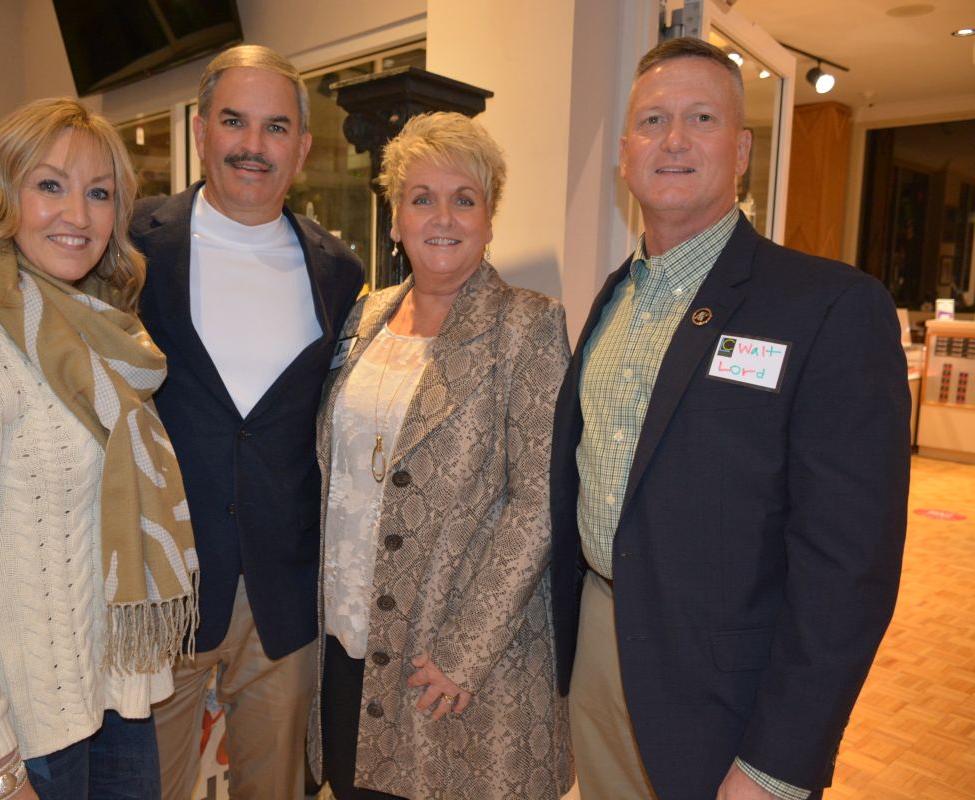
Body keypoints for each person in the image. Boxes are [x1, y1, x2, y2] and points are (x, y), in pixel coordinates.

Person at [550, 38, 910, 800]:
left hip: (726, 697)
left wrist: (777, 764)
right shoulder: (613, 298)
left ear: (742, 151)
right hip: (600, 651)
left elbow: (848, 570)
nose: (674, 140)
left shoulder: (830, 308)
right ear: (625, 156)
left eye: (702, 118)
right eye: (653, 120)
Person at [0, 97, 199, 800]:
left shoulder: (99, 334)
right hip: (7, 736)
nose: (77, 214)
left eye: (99, 193)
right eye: (50, 184)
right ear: (0, 195)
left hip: (108, 702)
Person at [310, 111, 573, 800]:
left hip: (455, 662)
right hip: (347, 639)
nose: (443, 218)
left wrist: (464, 651)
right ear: (396, 218)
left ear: (489, 219)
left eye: (465, 199)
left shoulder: (528, 325)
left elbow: (539, 501)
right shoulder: (364, 319)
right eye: (422, 198)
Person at [130, 45, 364, 799]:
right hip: (159, 587)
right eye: (234, 121)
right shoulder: (128, 245)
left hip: (282, 596)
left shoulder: (339, 271)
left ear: (302, 146)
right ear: (201, 130)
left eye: (275, 127)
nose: (253, 145)